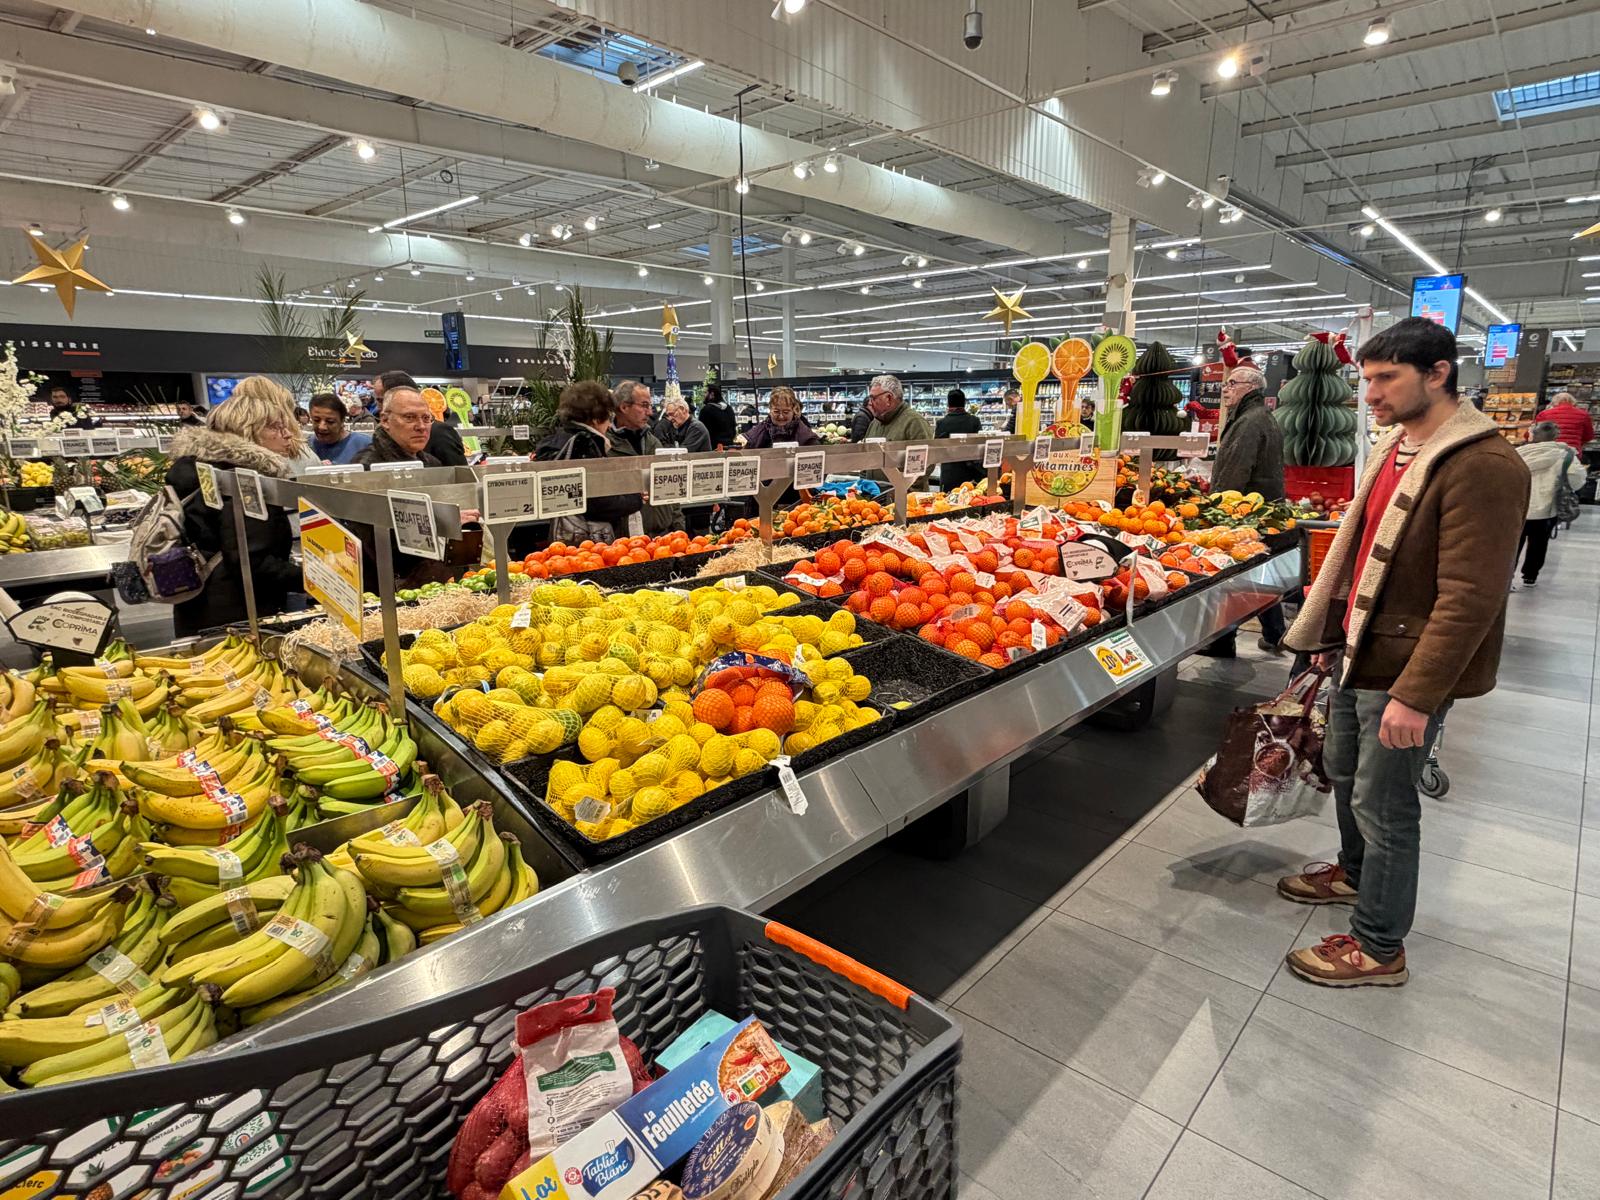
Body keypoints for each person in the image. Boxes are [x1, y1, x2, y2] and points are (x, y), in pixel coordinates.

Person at [1279, 318, 1528, 988]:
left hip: (1405, 667)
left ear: (1439, 372)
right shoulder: (1399, 446)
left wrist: (1418, 696)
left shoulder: (1482, 465)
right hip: (1361, 650)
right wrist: (1332, 638)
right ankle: (1355, 877)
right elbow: (1363, 557)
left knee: (1384, 805)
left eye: (1386, 378)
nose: (1371, 394)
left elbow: (1470, 598)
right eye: (1367, 378)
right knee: (1343, 770)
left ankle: (1379, 946)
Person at [165, 377, 302, 638]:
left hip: (197, 603)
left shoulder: (198, 468)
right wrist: (314, 580)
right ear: (247, 431)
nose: (287, 434)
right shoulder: (244, 481)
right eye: (275, 427)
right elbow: (252, 562)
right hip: (238, 616)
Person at [1204, 365, 1289, 654]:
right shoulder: (1258, 416)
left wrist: (1217, 509)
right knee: (1257, 573)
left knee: (1234, 576)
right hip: (1259, 509)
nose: (1225, 389)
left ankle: (1223, 642)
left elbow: (1234, 471)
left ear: (1249, 388)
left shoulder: (1249, 422)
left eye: (1232, 383)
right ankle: (1275, 633)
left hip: (1245, 511)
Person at [534, 380, 643, 538]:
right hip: (588, 540)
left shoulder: (555, 442)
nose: (610, 425)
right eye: (609, 417)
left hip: (562, 537)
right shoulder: (584, 445)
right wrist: (635, 499)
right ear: (596, 418)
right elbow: (597, 503)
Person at [1515, 420, 1586, 588]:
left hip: (1519, 507)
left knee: (1513, 544)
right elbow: (1577, 479)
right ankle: (1530, 576)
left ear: (1532, 435)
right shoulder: (1566, 455)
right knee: (1539, 544)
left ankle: (1508, 576)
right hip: (1547, 510)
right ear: (1555, 436)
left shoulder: (1518, 454)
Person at [607, 380, 680, 535]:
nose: (650, 412)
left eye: (650, 406)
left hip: (662, 535)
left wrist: (678, 526)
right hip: (623, 542)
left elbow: (670, 487)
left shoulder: (653, 442)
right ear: (624, 407)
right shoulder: (605, 446)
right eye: (644, 405)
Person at [374, 370, 466, 466]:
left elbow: (459, 475)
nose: (421, 427)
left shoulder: (439, 433)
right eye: (409, 417)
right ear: (385, 420)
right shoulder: (369, 459)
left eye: (426, 418)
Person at [935, 389, 985, 490]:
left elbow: (937, 449)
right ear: (964, 402)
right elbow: (980, 446)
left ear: (948, 404)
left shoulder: (942, 423)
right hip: (971, 473)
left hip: (949, 473)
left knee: (948, 501)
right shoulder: (974, 421)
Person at [741, 387, 820, 449]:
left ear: (794, 410)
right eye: (776, 411)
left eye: (786, 412)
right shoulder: (759, 432)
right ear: (770, 409)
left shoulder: (806, 434)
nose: (781, 416)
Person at [307, 391, 371, 465]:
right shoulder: (307, 447)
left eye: (330, 421)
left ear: (342, 421)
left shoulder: (364, 445)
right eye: (316, 420)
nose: (322, 427)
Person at [864, 375, 934, 442]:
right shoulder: (874, 424)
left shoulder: (915, 423)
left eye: (873, 398)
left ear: (888, 398)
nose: (870, 403)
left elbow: (925, 453)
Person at [698, 383, 737, 449]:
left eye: (705, 393)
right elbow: (733, 430)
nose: (704, 395)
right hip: (729, 446)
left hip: (713, 448)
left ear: (712, 394)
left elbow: (701, 431)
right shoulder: (729, 408)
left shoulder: (706, 410)